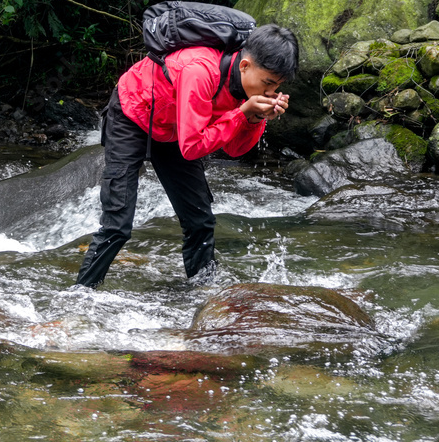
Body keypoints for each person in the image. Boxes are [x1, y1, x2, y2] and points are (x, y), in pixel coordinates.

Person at [76, 24, 299, 288]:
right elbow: (192, 148)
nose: (271, 92)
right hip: (133, 114)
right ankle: (80, 294)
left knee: (200, 221)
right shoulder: (200, 72)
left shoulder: (247, 89)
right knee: (118, 226)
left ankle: (203, 294)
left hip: (176, 130)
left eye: (278, 86)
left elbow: (234, 150)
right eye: (268, 83)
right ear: (245, 65)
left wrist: (255, 118)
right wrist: (241, 114)